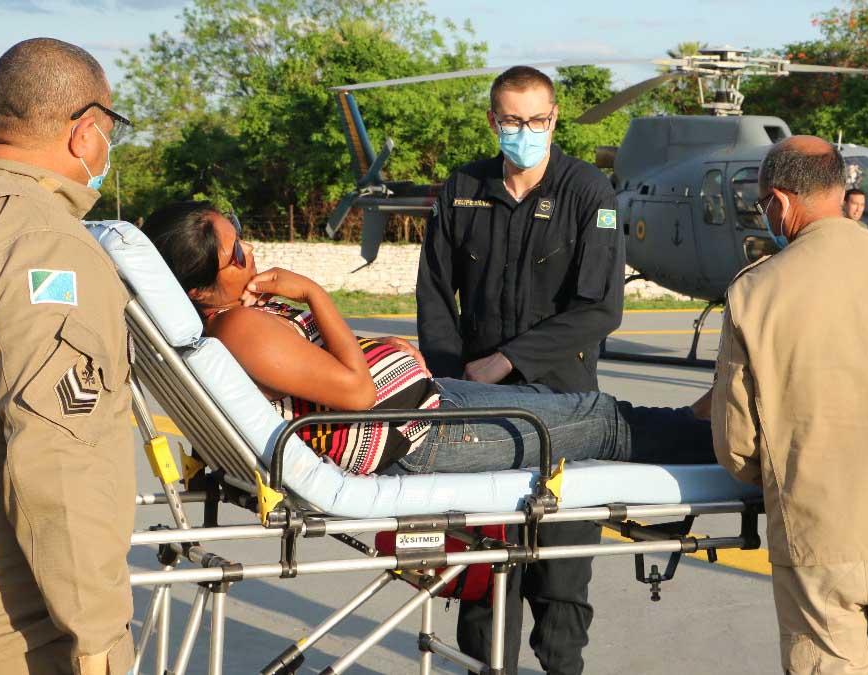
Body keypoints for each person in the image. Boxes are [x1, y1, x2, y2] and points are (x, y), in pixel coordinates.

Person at [141, 201, 711, 475]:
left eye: (241, 234)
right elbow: (358, 395)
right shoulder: (240, 328)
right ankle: (718, 444)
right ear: (199, 288)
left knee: (580, 408)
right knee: (601, 423)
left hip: (425, 407)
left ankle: (698, 425)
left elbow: (327, 369)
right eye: (236, 252)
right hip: (419, 437)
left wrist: (387, 352)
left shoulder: (238, 316)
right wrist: (314, 293)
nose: (249, 251)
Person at [712, 135, 868, 673]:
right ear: (840, 187)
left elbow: (736, 446)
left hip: (816, 536)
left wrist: (793, 482)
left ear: (779, 202)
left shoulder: (755, 291)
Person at [414, 65, 622, 674]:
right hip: (477, 410)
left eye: (536, 120)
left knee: (560, 585)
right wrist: (453, 386)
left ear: (554, 119)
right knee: (486, 579)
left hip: (565, 408)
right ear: (493, 121)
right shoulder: (462, 188)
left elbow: (599, 309)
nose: (524, 131)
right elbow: (434, 295)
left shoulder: (588, 192)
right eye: (512, 121)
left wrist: (506, 361)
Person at [0, 39, 135, 674]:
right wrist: (97, 638)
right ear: (85, 132)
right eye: (112, 133)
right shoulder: (41, 241)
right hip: (1, 624)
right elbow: (60, 459)